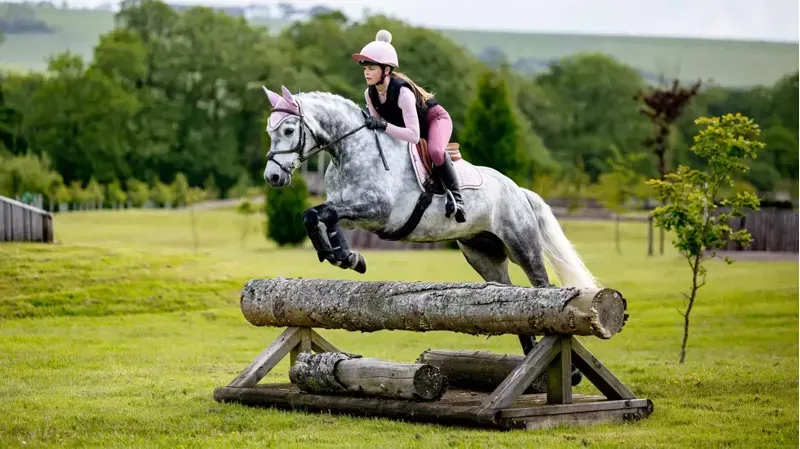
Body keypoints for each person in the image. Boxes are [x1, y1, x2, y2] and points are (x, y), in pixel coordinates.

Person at [352, 30, 466, 223]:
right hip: (411, 128)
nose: (366, 73)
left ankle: (457, 198)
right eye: (365, 69)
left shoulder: (403, 93)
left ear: (386, 70)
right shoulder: (369, 94)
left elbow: (413, 135)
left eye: (371, 68)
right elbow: (379, 131)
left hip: (435, 119)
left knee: (435, 151)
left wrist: (382, 125)